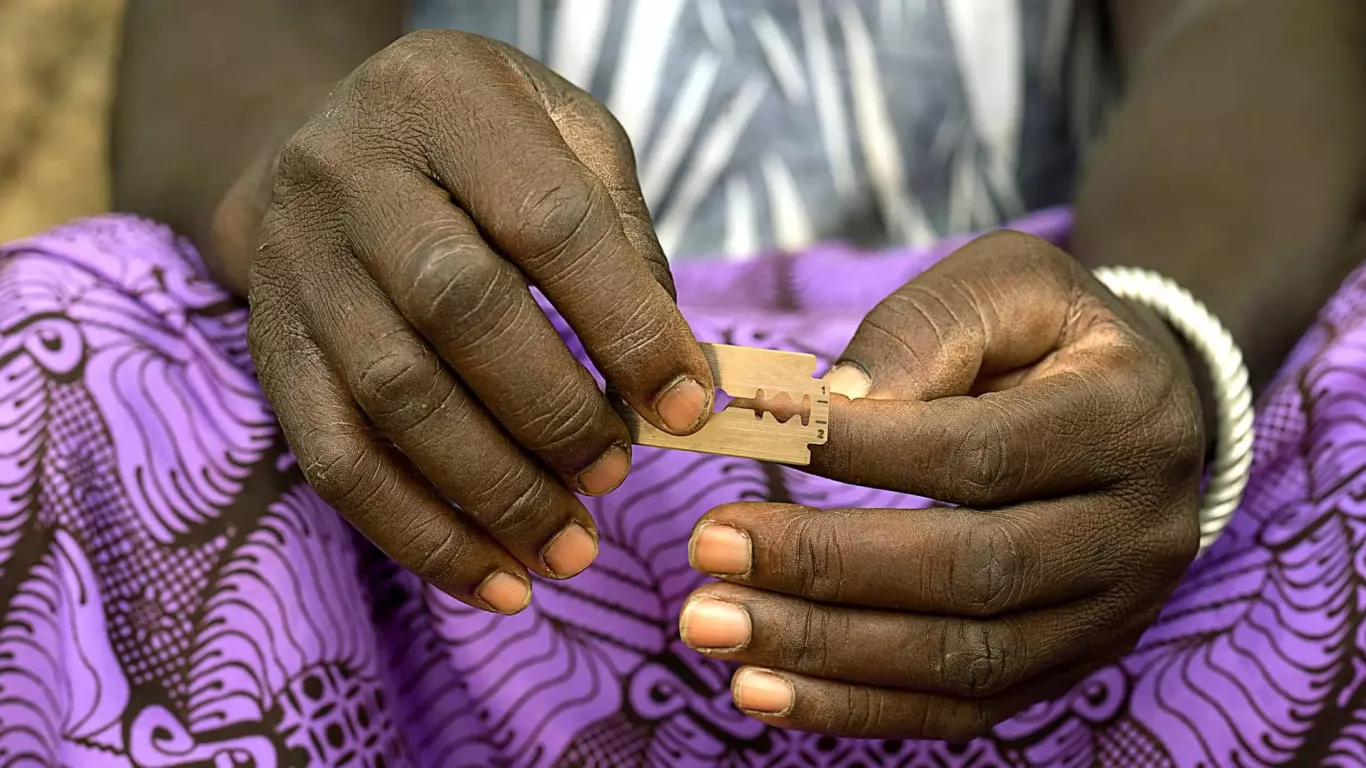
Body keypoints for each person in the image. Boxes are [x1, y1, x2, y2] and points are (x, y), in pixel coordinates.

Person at [1, 1, 1362, 765]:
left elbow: (1250, 31)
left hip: (1055, 434)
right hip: (453, 424)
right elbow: (236, 30)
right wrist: (315, 191)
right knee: (63, 337)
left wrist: (1170, 343)